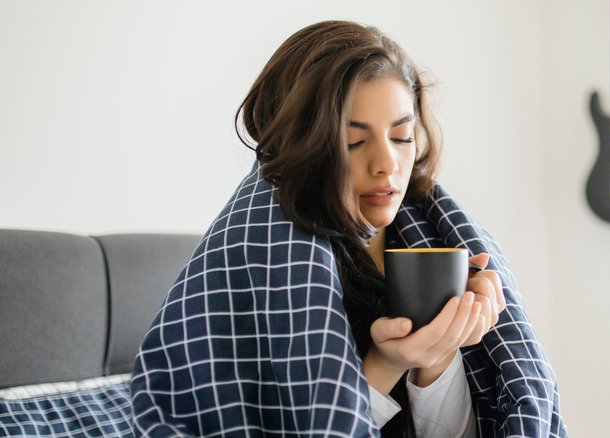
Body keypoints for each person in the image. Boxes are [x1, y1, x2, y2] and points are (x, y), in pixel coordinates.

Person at [130, 20, 567, 437]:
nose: (386, 165)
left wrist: (438, 355)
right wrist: (385, 363)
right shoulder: (256, 253)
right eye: (352, 141)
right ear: (300, 146)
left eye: (401, 137)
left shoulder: (433, 237)